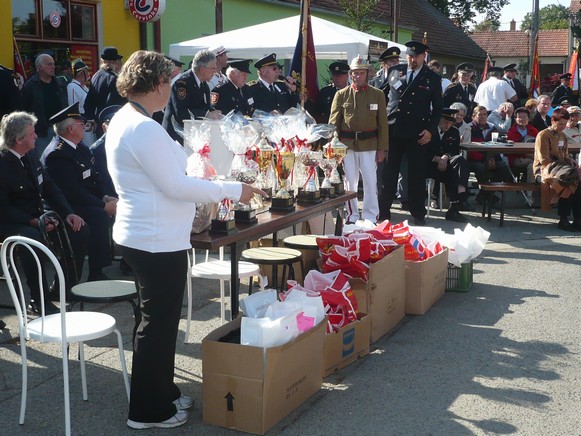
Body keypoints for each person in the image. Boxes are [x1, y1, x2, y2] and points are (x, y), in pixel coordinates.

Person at [105, 50, 265, 429]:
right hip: (153, 238)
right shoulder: (141, 126)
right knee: (157, 326)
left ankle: (164, 392)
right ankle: (148, 411)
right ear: (158, 84)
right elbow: (175, 185)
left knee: (157, 322)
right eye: (169, 81)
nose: (172, 88)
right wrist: (230, 188)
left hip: (151, 234)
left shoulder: (131, 119)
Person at [0, 111, 88, 314]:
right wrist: (32, 221)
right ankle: (39, 301)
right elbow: (4, 208)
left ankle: (63, 289)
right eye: (32, 134)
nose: (36, 137)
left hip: (37, 214)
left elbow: (49, 186)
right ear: (18, 139)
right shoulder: (3, 164)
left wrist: (67, 213)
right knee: (33, 238)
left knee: (79, 229)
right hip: (12, 221)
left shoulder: (29, 155)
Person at [42, 102, 115, 282]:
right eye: (81, 124)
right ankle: (95, 272)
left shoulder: (79, 147)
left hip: (81, 200)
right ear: (71, 128)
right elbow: (71, 191)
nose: (85, 128)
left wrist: (105, 197)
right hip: (65, 205)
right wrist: (103, 205)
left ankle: (99, 270)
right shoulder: (57, 154)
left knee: (105, 212)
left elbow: (91, 180)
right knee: (99, 215)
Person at [379, 40, 443, 226]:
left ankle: (418, 213)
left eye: (416, 56)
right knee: (388, 174)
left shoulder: (432, 78)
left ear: (424, 56)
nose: (412, 59)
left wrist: (431, 130)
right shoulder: (394, 71)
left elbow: (438, 109)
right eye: (409, 56)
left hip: (417, 132)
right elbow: (382, 93)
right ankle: (384, 212)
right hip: (394, 129)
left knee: (416, 174)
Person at [329, 55, 387, 223]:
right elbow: (334, 124)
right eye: (355, 73)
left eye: (361, 73)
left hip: (370, 145)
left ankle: (370, 216)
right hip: (347, 146)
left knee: (370, 182)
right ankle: (352, 216)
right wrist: (334, 149)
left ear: (367, 73)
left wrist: (382, 148)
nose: (358, 76)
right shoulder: (341, 95)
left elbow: (383, 124)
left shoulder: (378, 95)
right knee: (350, 184)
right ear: (350, 74)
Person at [533, 108, 581, 231]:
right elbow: (544, 159)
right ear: (553, 121)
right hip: (543, 170)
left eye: (565, 124)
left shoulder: (563, 136)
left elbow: (565, 155)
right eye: (560, 124)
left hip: (561, 169)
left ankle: (577, 219)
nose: (563, 127)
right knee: (568, 182)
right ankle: (563, 219)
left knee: (577, 182)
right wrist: (562, 163)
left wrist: (569, 159)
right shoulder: (543, 135)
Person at [162, 49, 222, 144]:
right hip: (175, 138)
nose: (215, 72)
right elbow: (182, 112)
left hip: (192, 136)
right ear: (202, 69)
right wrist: (207, 114)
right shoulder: (182, 83)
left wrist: (215, 113)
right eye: (213, 69)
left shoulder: (204, 85)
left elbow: (205, 106)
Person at [426, 108, 471, 221]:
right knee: (454, 170)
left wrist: (445, 156)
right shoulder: (429, 130)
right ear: (439, 120)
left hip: (447, 164)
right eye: (445, 122)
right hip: (430, 165)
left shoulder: (454, 131)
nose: (448, 125)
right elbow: (423, 151)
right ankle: (460, 199)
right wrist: (437, 159)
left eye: (450, 122)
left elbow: (454, 150)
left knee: (459, 161)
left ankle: (455, 207)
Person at [21, 53, 67, 157]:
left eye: (53, 64)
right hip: (42, 133)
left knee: (61, 160)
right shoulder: (30, 85)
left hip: (61, 130)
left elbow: (65, 104)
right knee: (44, 161)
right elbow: (24, 110)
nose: (53, 67)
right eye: (49, 64)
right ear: (40, 67)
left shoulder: (59, 83)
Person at [468, 105, 512, 204]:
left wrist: (492, 158)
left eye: (485, 114)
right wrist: (486, 159)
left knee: (504, 168)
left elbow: (496, 145)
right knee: (480, 167)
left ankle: (485, 194)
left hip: (490, 157)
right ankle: (487, 194)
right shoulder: (469, 128)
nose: (483, 117)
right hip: (474, 159)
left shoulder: (492, 127)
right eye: (480, 115)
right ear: (474, 116)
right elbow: (471, 149)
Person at [84, 47, 126, 137]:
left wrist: (91, 119)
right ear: (115, 62)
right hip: (110, 123)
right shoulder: (113, 78)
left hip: (99, 124)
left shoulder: (96, 76)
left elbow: (88, 102)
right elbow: (113, 105)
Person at [67, 59, 95, 145]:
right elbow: (73, 107)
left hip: (89, 122)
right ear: (81, 73)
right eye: (86, 71)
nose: (88, 74)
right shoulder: (72, 86)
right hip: (82, 122)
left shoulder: (84, 87)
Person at [506, 107, 538, 182]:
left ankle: (530, 190)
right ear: (515, 119)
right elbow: (512, 150)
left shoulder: (534, 131)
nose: (522, 119)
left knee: (532, 166)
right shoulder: (511, 132)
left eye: (525, 117)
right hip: (516, 158)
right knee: (535, 163)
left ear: (528, 119)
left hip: (533, 157)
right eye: (519, 117)